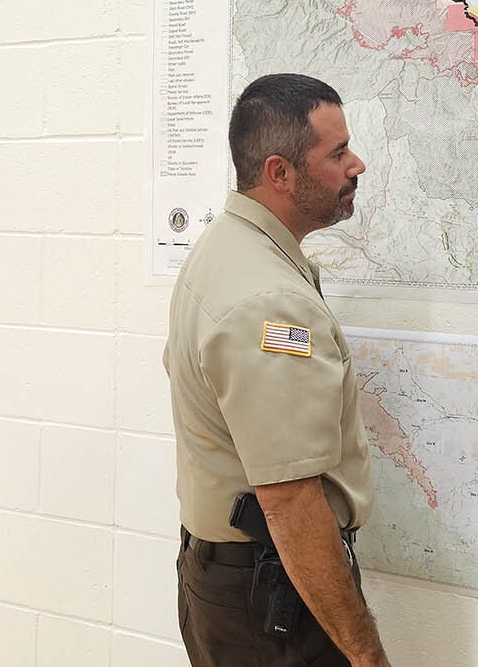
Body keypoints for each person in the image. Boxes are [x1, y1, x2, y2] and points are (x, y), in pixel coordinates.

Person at [165, 74, 391, 667]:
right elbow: (290, 501)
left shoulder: (225, 248)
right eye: (337, 154)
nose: (355, 165)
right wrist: (367, 656)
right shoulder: (267, 298)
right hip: (271, 603)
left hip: (231, 585)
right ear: (279, 173)